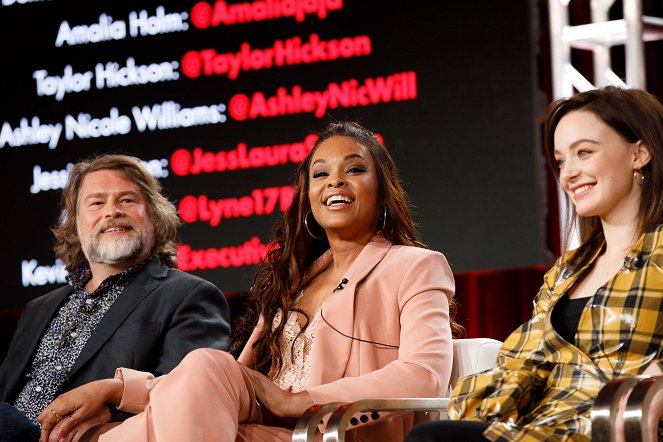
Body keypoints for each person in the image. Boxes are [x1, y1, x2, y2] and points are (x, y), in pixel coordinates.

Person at [36, 121, 461, 442]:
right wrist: (116, 387)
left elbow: (424, 376)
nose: (335, 181)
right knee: (202, 370)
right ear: (309, 200)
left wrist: (296, 401)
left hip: (320, 434)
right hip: (251, 431)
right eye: (320, 173)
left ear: (382, 190)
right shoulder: (294, 282)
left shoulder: (415, 266)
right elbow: (214, 383)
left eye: (354, 169)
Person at [404, 86, 663, 442]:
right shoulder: (566, 273)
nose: (568, 174)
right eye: (560, 161)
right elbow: (518, 366)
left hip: (616, 429)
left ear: (640, 153)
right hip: (544, 428)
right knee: (436, 436)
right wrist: (479, 398)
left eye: (583, 152)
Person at [0, 154, 231, 441]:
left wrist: (112, 409)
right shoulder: (38, 308)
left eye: (127, 201)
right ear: (75, 225)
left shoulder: (189, 295)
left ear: (154, 217)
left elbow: (192, 397)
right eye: (97, 203)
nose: (112, 211)